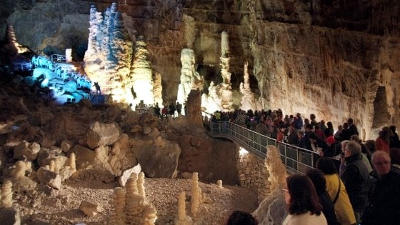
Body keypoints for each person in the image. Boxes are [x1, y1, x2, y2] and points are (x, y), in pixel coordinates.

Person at [362, 151, 400, 225]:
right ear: (373, 165)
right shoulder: (372, 178)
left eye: (386, 162)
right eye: (379, 163)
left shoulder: (397, 180)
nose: (383, 165)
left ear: (390, 163)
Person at [316, 157, 356, 225]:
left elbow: (325, 201)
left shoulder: (325, 181)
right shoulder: (335, 177)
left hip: (340, 218)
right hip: (349, 216)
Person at [341, 141, 369, 223]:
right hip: (362, 198)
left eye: (345, 150)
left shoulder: (352, 167)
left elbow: (347, 186)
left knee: (355, 220)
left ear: (349, 152)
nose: (344, 152)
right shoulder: (360, 162)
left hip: (355, 200)